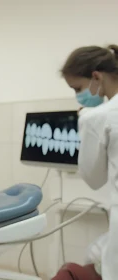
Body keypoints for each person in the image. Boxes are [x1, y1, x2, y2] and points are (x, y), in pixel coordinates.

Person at [54, 44, 118, 280]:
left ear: (96, 77)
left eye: (77, 88)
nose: (77, 95)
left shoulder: (97, 117)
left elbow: (93, 178)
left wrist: (86, 125)